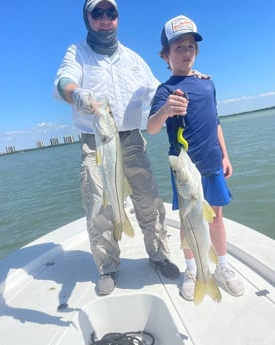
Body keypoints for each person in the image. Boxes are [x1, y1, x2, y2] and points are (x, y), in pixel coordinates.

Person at [54, 0, 180, 296]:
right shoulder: (77, 53)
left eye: (111, 13)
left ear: (118, 18)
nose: (105, 19)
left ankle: (159, 255)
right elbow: (63, 82)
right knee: (98, 205)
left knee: (148, 200)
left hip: (133, 140)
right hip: (96, 141)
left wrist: (187, 82)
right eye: (97, 13)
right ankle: (107, 266)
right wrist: (79, 95)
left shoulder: (133, 59)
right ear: (87, 18)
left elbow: (158, 91)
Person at [147, 15, 245, 301]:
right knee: (189, 223)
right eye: (178, 48)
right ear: (166, 56)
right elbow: (152, 128)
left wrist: (225, 155)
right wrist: (165, 110)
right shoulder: (165, 91)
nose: (186, 52)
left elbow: (216, 123)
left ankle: (223, 267)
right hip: (185, 171)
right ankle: (192, 270)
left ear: (196, 52)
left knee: (215, 218)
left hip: (212, 164)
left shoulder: (207, 84)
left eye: (190, 46)